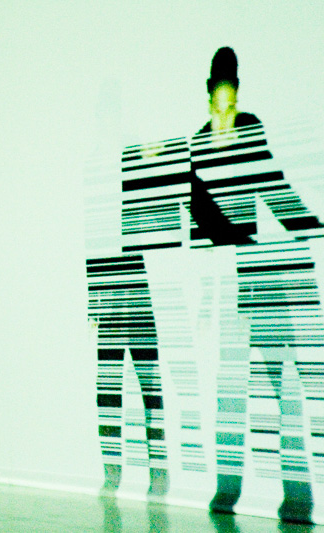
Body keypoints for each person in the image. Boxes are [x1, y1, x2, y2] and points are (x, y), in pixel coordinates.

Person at [194, 47, 322, 524]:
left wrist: (310, 225)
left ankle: (296, 493)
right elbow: (200, 214)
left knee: (281, 380)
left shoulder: (250, 129)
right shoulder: (196, 147)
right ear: (208, 100)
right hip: (229, 276)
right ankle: (229, 489)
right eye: (219, 107)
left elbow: (273, 183)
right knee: (232, 387)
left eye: (232, 106)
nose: (226, 117)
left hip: (258, 273)